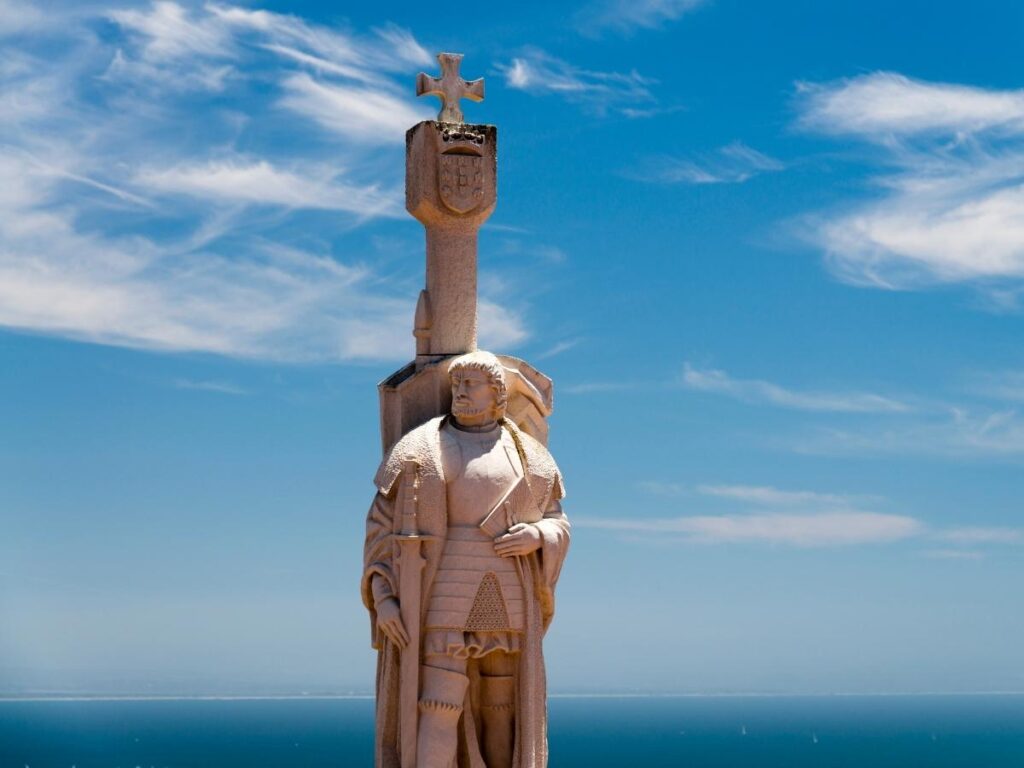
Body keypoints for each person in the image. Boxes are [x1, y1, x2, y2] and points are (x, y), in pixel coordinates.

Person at [362, 350, 570, 768]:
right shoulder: (420, 450)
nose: (459, 392)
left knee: (501, 707)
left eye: (470, 385)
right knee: (439, 704)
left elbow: (557, 521)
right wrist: (384, 597)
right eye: (456, 385)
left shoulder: (532, 459)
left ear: (497, 394)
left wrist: (538, 534)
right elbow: (380, 531)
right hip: (443, 588)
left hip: (509, 588)